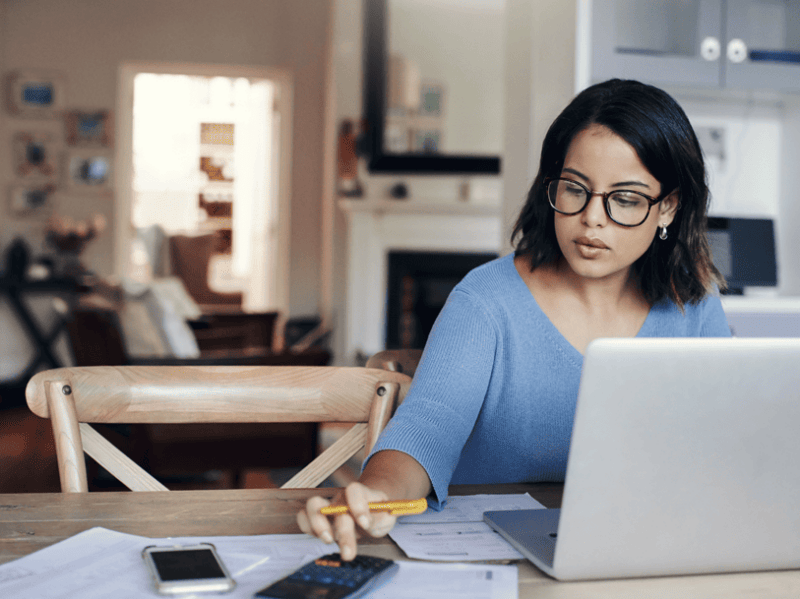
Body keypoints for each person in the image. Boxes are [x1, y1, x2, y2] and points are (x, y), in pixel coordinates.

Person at [298, 78, 731, 559]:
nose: (592, 218)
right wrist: (377, 494)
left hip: (640, 553)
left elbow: (726, 444)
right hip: (492, 560)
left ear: (667, 206)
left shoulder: (694, 302)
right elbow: (426, 429)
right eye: (575, 189)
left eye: (625, 199)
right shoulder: (485, 301)